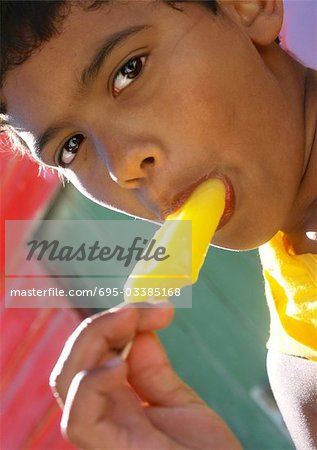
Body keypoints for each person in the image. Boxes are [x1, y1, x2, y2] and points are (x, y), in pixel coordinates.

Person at [1, 1, 316, 448]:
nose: (122, 167)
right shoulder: (301, 367)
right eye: (71, 147)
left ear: (247, 6)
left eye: (129, 70)